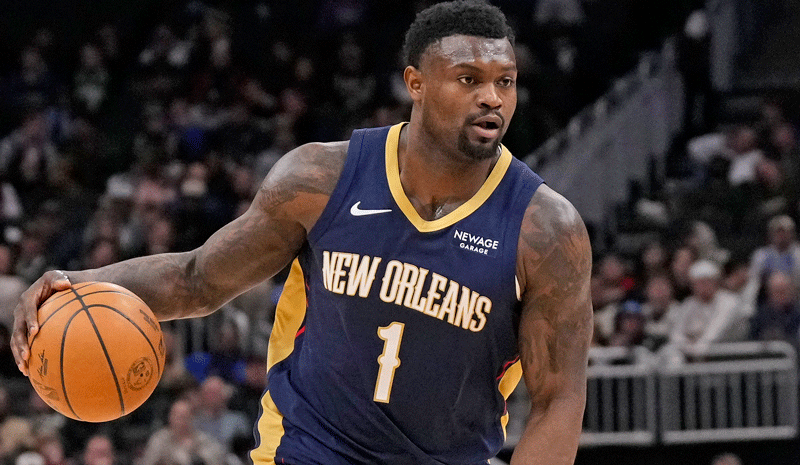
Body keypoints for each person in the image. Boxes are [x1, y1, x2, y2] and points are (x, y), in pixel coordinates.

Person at [11, 2, 593, 464]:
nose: (492, 98)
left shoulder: (545, 230)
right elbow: (197, 280)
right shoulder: (321, 178)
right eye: (469, 79)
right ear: (415, 83)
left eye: (505, 81)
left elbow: (558, 399)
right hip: (307, 450)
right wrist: (77, 282)